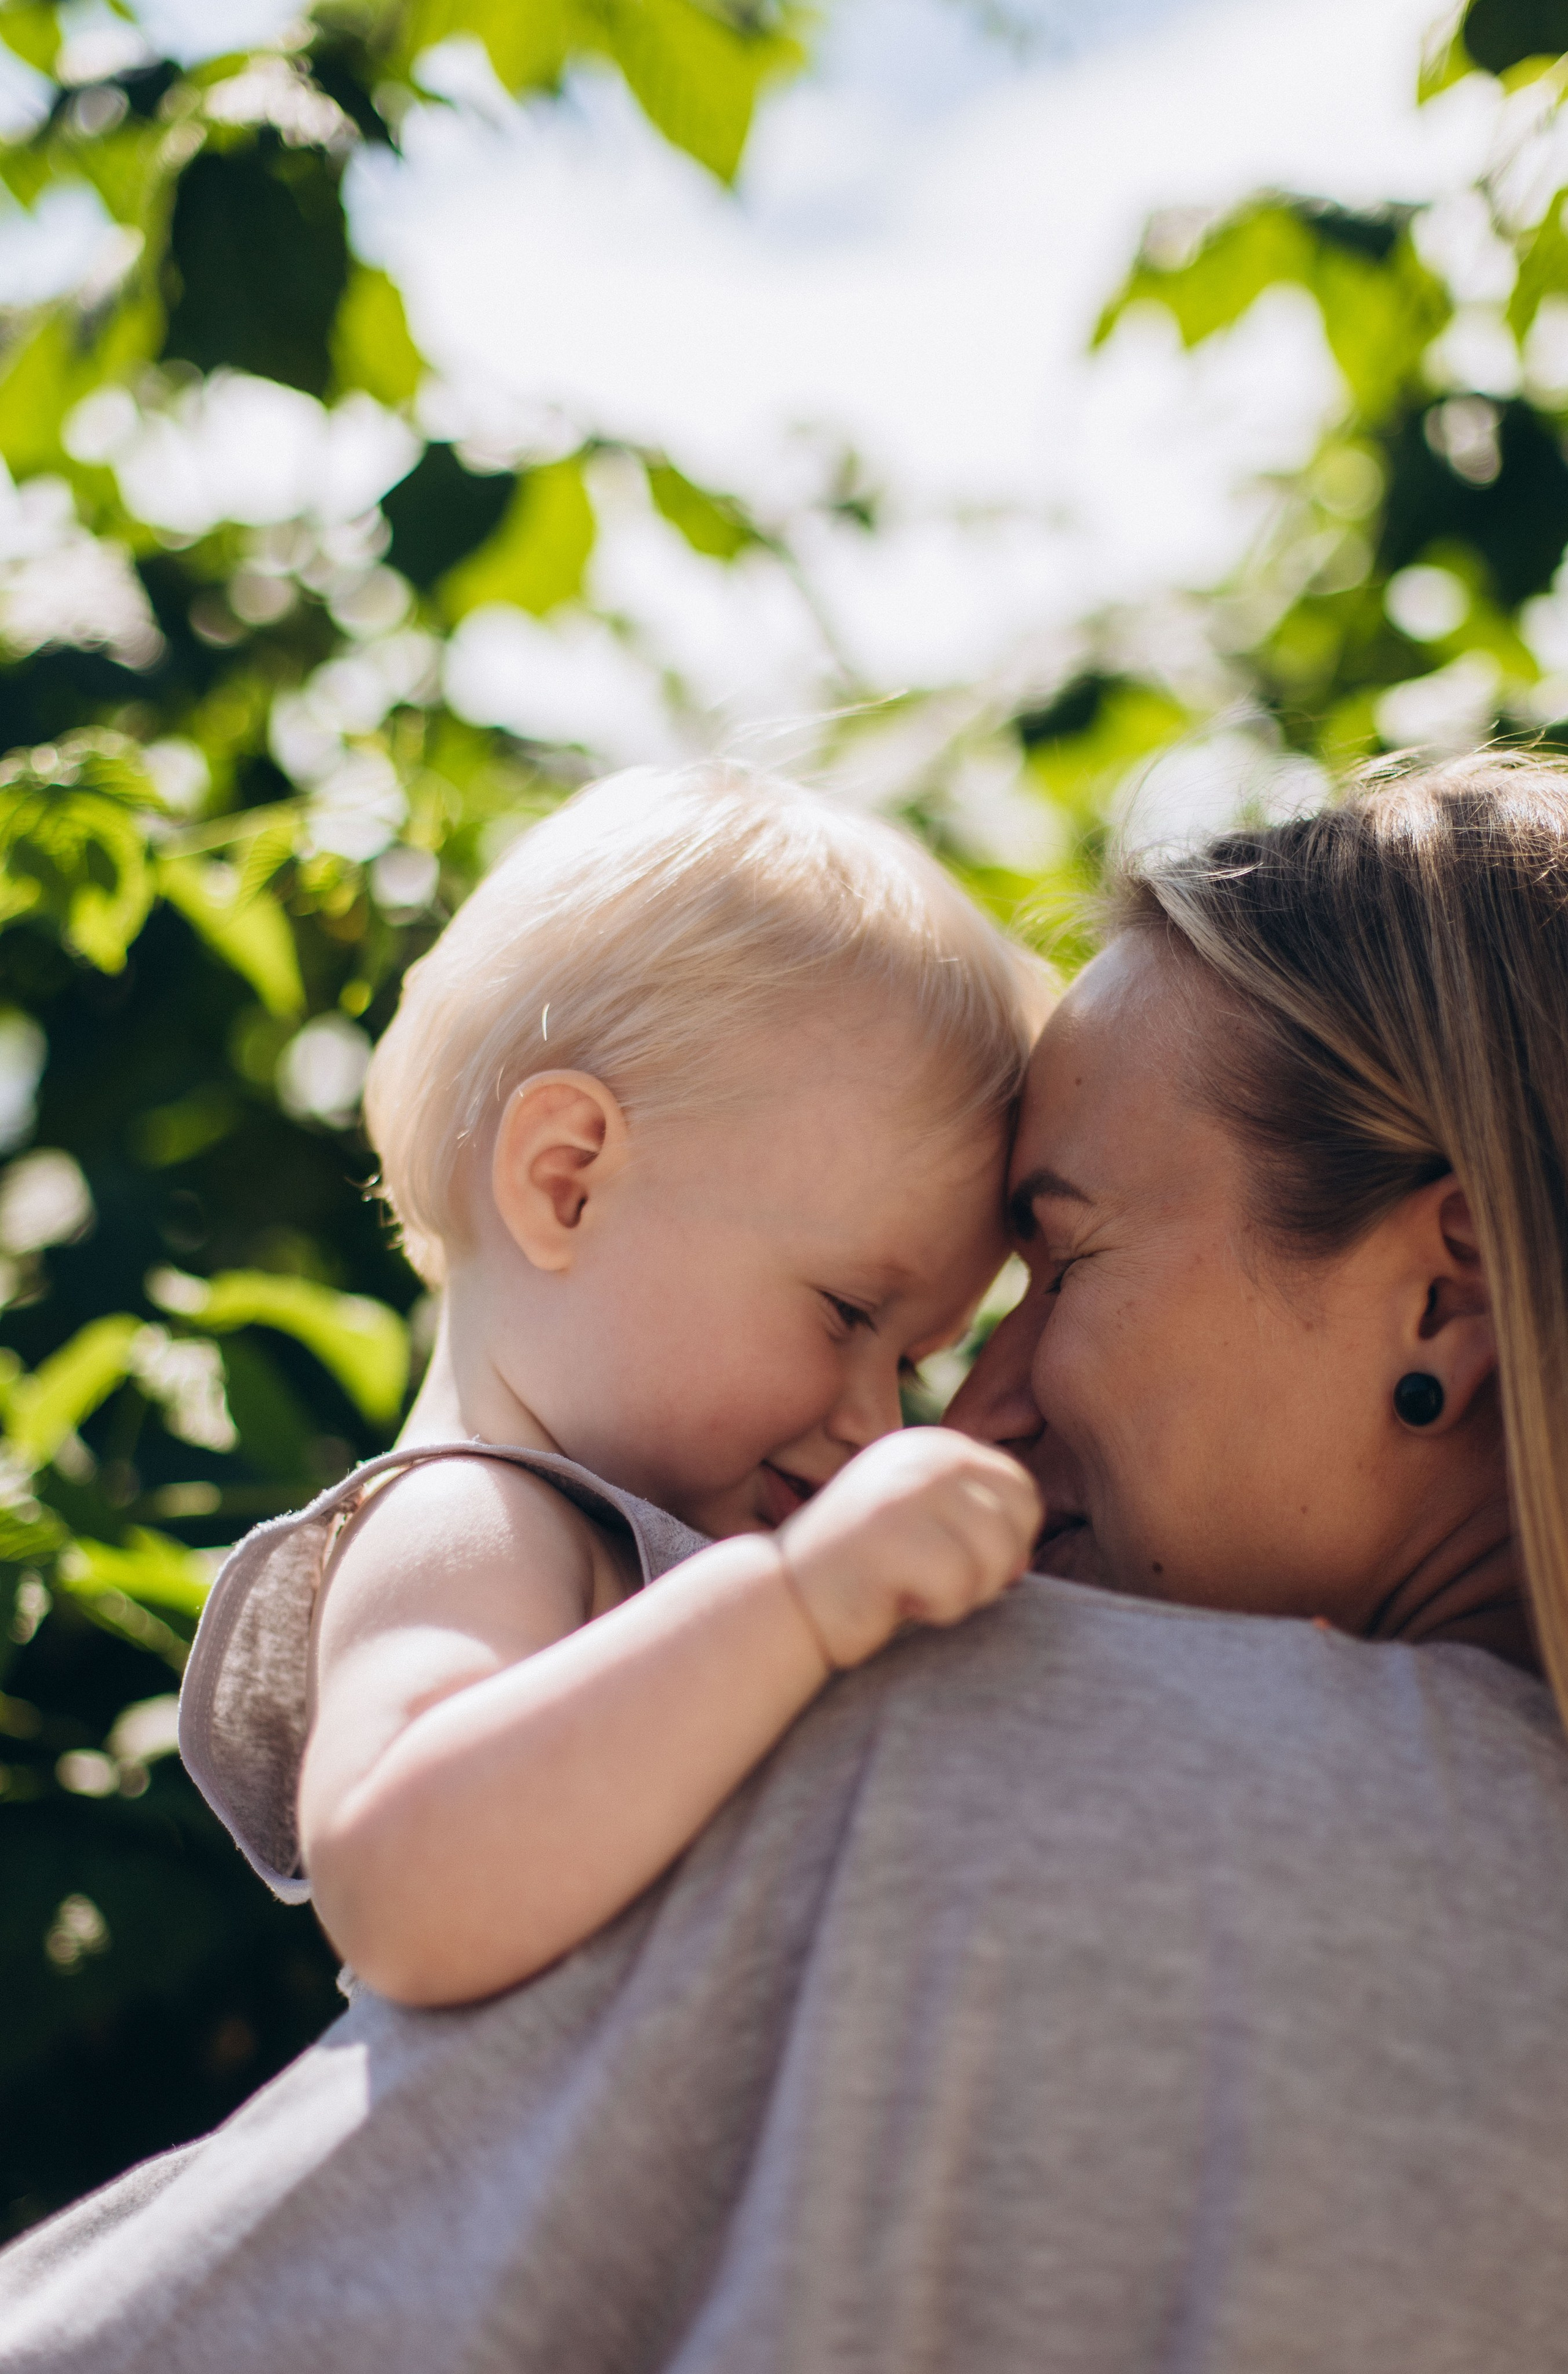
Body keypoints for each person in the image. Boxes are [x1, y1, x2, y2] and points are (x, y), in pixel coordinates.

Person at [3, 752, 1567, 2373]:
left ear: (1443, 1301)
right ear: (565, 1177)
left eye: (1064, 1259)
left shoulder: (919, 1703)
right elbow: (395, 1875)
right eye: (849, 1313)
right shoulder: (499, 1525)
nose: (952, 1411)